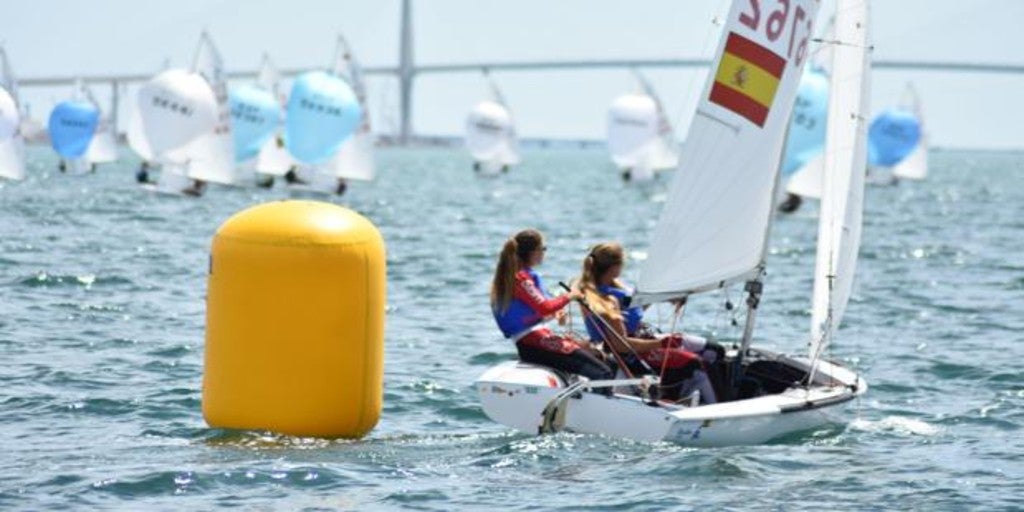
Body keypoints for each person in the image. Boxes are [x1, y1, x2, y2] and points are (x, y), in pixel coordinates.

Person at [578, 242, 721, 404]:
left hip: (642, 340)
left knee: (715, 351)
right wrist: (660, 343)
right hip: (629, 353)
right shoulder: (604, 299)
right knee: (695, 364)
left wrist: (666, 298)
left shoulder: (615, 288)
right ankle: (719, 408)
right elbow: (621, 345)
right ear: (614, 267)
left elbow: (634, 312)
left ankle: (710, 397)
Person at [491, 229, 614, 383]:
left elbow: (536, 311)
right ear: (533, 252)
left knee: (602, 359)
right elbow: (545, 307)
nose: (544, 253)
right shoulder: (520, 278)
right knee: (603, 372)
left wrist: (554, 315)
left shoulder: (518, 276)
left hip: (533, 341)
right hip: (533, 342)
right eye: (543, 249)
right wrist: (570, 295)